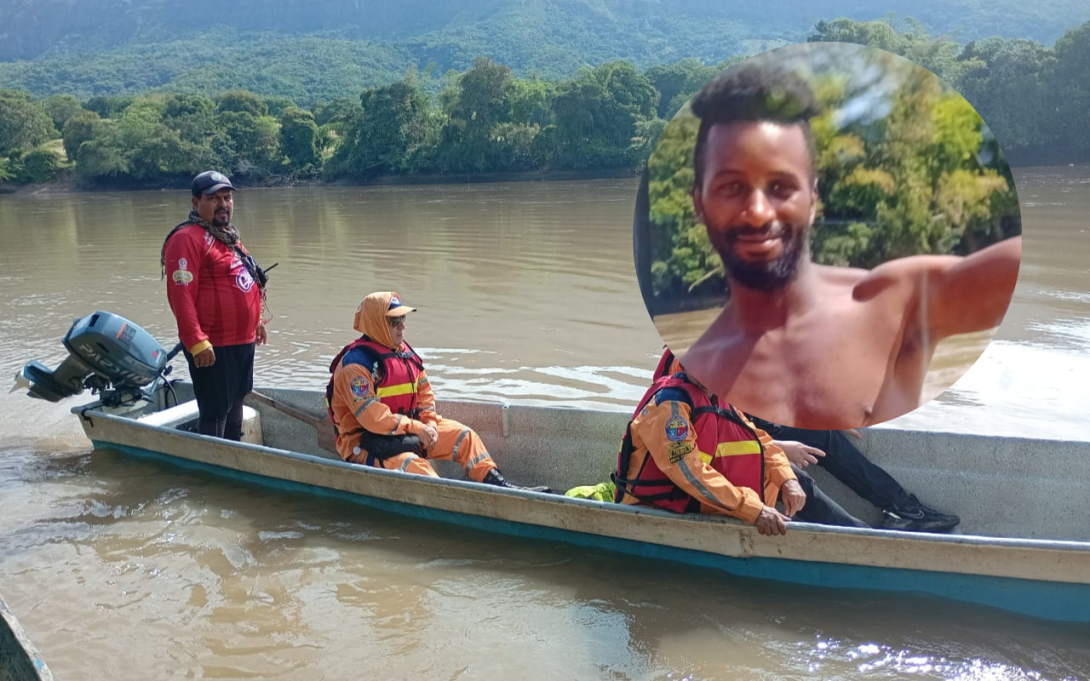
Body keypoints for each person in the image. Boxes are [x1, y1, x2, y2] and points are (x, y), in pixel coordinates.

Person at [678, 65, 1022, 430]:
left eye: (781, 187)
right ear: (699, 203)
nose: (759, 213)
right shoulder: (696, 371)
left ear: (812, 200)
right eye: (732, 187)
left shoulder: (898, 303)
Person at [651, 347, 959, 533]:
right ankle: (860, 539)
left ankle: (902, 511)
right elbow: (696, 445)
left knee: (820, 437)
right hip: (704, 465)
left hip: (733, 436)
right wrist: (778, 453)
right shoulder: (676, 392)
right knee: (797, 479)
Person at [613, 352, 867, 536]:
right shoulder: (671, 407)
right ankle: (856, 540)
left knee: (798, 482)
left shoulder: (718, 396)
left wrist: (787, 479)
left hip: (701, 499)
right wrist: (753, 510)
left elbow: (760, 440)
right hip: (665, 506)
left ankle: (859, 536)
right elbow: (690, 472)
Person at [327, 291, 547, 491]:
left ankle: (500, 486)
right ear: (376, 324)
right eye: (394, 322)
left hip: (409, 432)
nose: (402, 326)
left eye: (402, 319)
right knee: (416, 467)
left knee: (465, 437)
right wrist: (418, 428)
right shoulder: (356, 366)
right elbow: (372, 418)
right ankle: (446, 500)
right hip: (366, 445)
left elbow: (424, 393)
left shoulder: (404, 352)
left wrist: (429, 425)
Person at [161, 170, 269, 440]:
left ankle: (233, 454)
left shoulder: (227, 236)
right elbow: (180, 294)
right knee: (215, 411)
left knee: (236, 404)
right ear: (196, 203)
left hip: (241, 341)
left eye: (227, 197)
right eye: (213, 198)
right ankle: (211, 466)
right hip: (213, 345)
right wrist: (195, 340)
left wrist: (255, 322)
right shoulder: (187, 239)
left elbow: (243, 280)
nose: (223, 204)